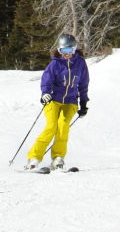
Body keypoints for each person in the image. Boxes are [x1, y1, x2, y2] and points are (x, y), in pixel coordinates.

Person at [26, 33, 90, 171]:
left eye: (69, 51)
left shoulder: (80, 63)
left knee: (63, 128)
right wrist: (45, 94)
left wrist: (84, 102)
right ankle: (34, 158)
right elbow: (46, 81)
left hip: (71, 102)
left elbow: (84, 84)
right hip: (53, 101)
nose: (66, 54)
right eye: (63, 51)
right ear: (59, 50)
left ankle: (58, 158)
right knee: (51, 127)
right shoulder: (55, 64)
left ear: (74, 49)